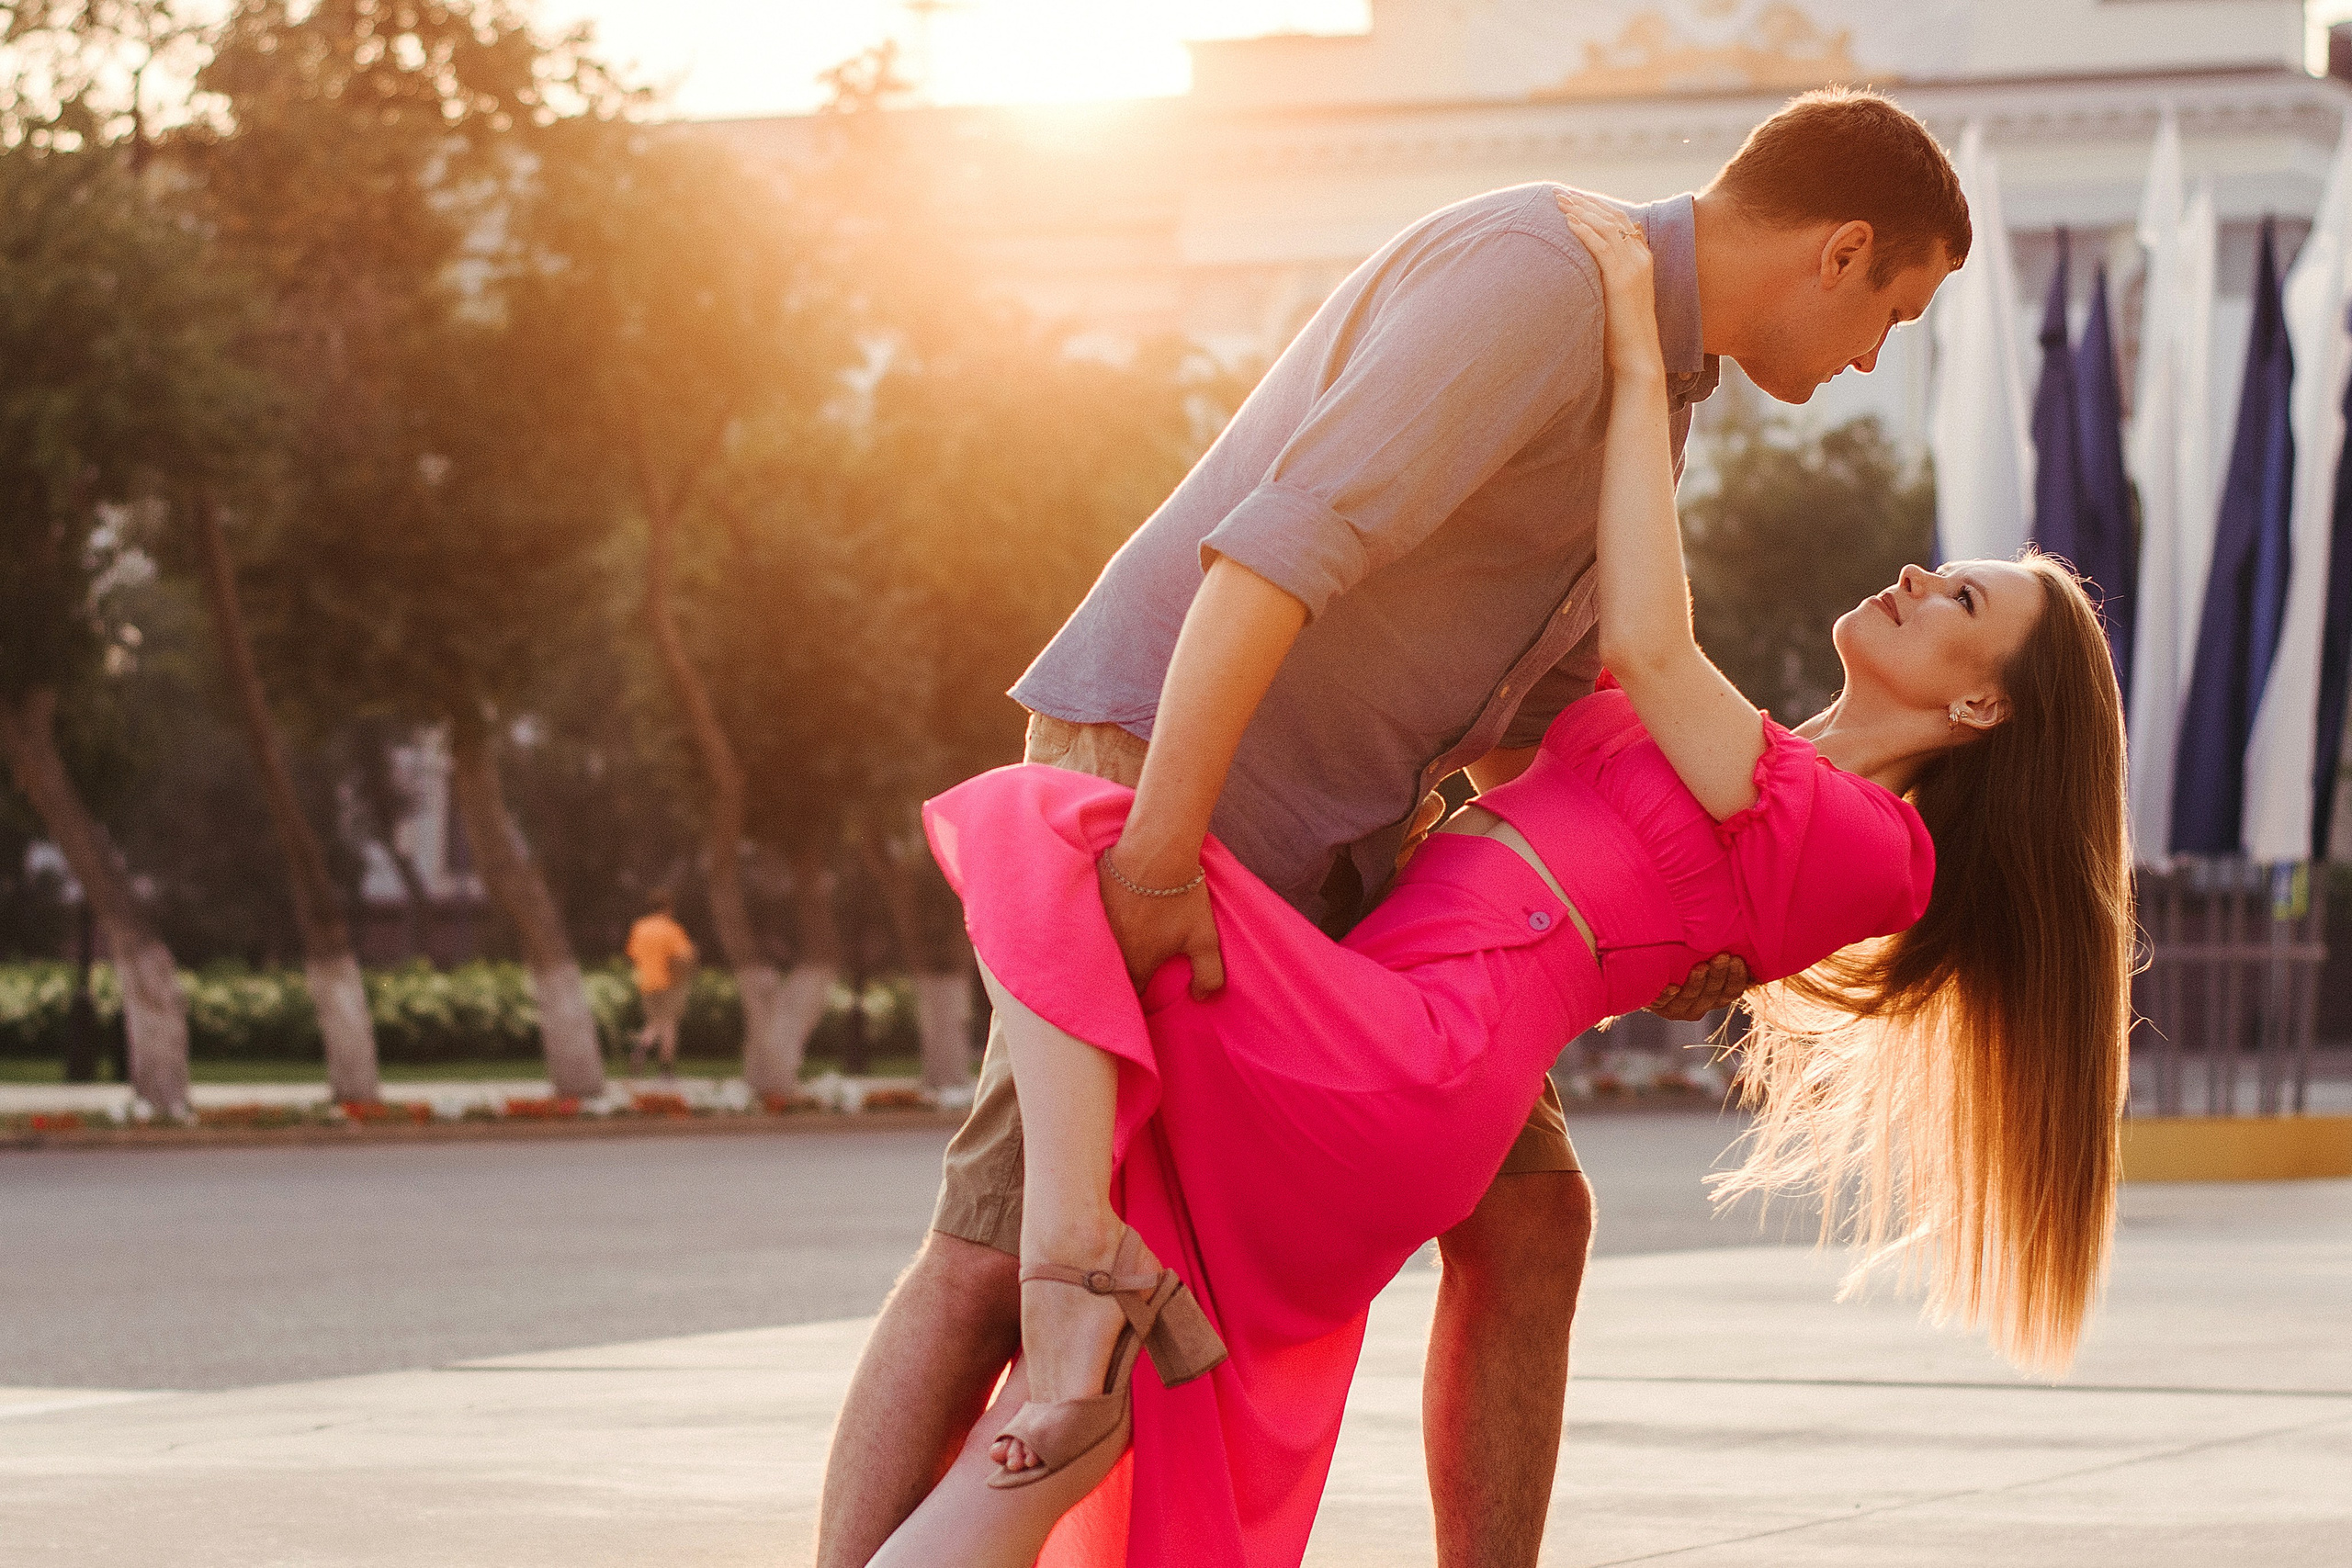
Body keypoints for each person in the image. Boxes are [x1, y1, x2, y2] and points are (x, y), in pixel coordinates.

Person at [866, 188, 2133, 1568]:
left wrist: (1642, 378)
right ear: (1838, 246)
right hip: (1243, 802)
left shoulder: (1859, 826)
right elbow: (1405, 601)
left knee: (1057, 858)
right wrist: (1166, 839)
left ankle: (1077, 1285)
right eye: (1889, 312)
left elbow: (1639, 671)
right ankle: (1066, 1288)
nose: (1877, 357)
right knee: (1013, 1197)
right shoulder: (1547, 287)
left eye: (1959, 597)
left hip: (1409, 984)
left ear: (1987, 713)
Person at [625, 890, 695, 1077]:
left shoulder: (639, 927)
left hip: (646, 982)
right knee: (668, 1024)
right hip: (669, 982)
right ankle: (665, 1067)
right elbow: (685, 955)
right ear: (668, 908)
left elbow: (632, 954)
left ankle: (640, 1049)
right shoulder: (671, 928)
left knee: (655, 1021)